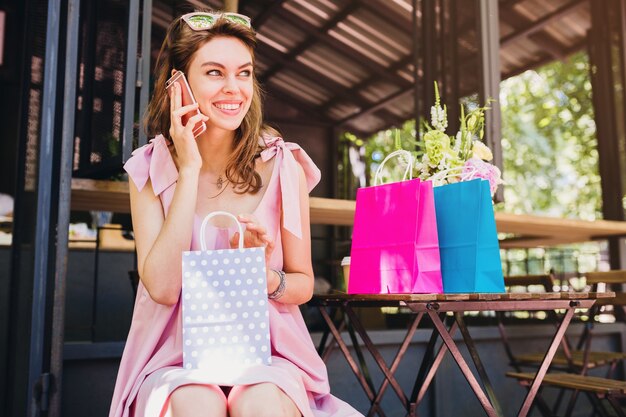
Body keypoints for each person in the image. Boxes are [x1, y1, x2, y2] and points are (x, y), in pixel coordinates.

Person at [108, 10, 362, 417]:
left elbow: (303, 284)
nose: (234, 88)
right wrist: (187, 170)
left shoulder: (283, 165)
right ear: (178, 83)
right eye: (214, 72)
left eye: (243, 73)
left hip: (268, 355)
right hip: (174, 359)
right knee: (196, 402)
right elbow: (162, 288)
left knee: (258, 400)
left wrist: (263, 276)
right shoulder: (150, 168)